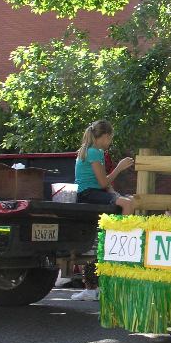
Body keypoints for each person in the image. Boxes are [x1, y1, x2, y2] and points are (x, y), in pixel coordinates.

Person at [72, 120, 135, 301]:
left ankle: (117, 236)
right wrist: (119, 168)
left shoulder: (97, 151)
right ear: (105, 136)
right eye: (110, 138)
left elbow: (105, 185)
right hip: (87, 194)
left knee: (130, 200)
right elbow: (102, 182)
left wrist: (115, 194)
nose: (110, 142)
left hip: (95, 191)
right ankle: (121, 240)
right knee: (127, 204)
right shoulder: (93, 152)